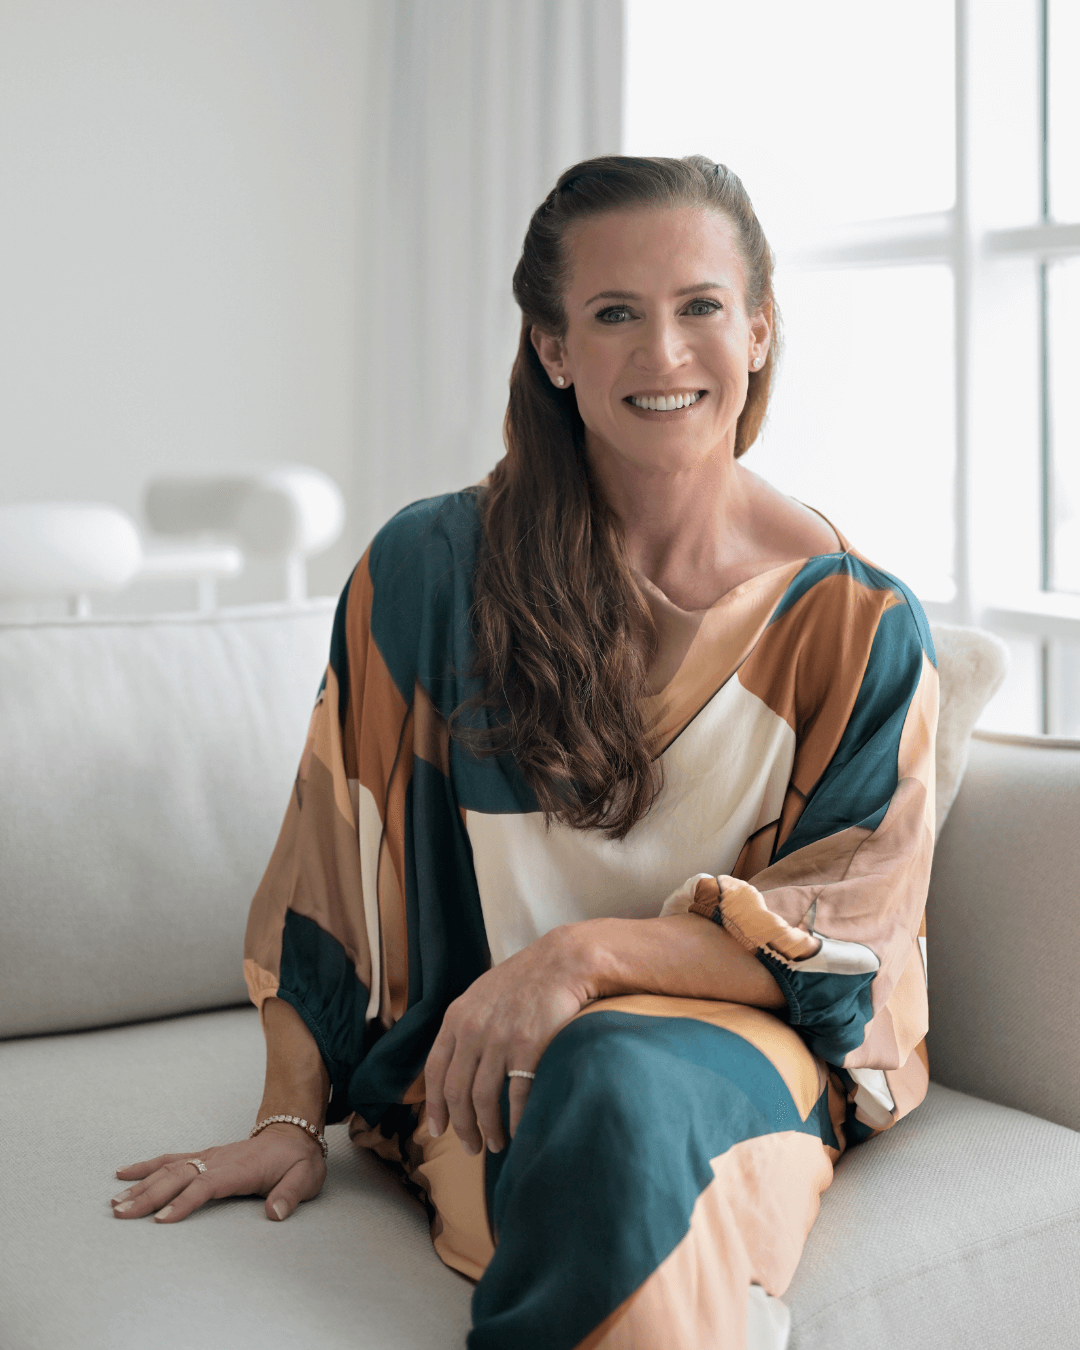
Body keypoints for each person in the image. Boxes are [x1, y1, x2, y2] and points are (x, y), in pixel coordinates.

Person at [111, 155, 937, 1350]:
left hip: (735, 1054)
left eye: (701, 307)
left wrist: (581, 960)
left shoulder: (858, 624)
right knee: (578, 1103)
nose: (664, 352)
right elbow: (328, 881)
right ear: (553, 347)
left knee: (611, 1083)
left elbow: (843, 944)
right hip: (484, 1069)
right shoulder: (430, 575)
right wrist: (288, 1120)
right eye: (615, 314)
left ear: (758, 331)